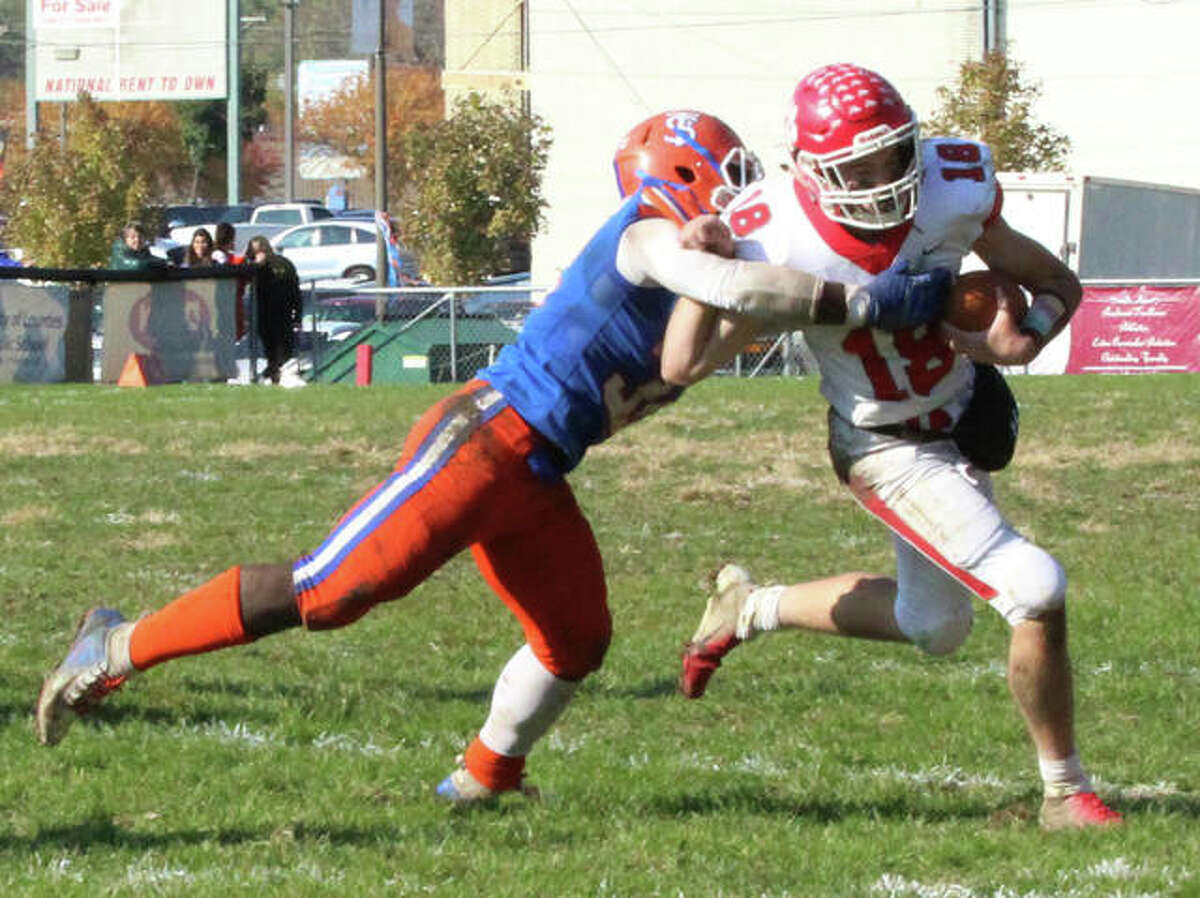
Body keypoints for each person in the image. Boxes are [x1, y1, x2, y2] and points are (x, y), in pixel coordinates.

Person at [34, 110, 950, 804]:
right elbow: (722, 282)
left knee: (578, 638)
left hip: (542, 472)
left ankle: (483, 779)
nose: (743, 197)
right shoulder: (646, 233)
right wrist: (878, 301)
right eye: (731, 177)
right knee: (330, 591)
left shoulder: (706, 264)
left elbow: (706, 338)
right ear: (681, 175)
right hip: (484, 440)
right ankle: (115, 643)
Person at [670, 64, 1122, 830]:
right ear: (809, 169)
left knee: (934, 626)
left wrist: (1021, 342)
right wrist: (701, 271)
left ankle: (752, 607)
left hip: (963, 412)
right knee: (1035, 586)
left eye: (893, 156)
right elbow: (681, 363)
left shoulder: (951, 193)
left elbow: (1056, 284)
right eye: (860, 165)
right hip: (884, 446)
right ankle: (1063, 792)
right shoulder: (774, 233)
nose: (883, 181)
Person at [245, 235, 302, 384]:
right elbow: (296, 292)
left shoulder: (276, 265)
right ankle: (274, 375)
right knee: (277, 352)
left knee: (277, 352)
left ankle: (273, 376)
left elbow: (294, 290)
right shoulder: (282, 263)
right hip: (274, 315)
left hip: (275, 314)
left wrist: (297, 316)